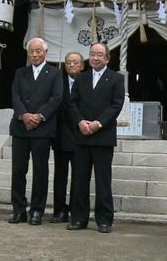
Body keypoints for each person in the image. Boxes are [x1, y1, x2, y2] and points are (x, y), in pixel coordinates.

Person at [67, 42, 125, 233]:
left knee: (102, 180)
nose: (95, 58)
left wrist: (98, 123)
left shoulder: (116, 78)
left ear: (107, 58)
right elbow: (72, 103)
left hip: (103, 136)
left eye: (100, 54)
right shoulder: (81, 78)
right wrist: (80, 122)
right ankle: (78, 218)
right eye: (92, 54)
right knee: (79, 179)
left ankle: (104, 220)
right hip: (82, 135)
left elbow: (116, 105)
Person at [8, 37, 62, 225]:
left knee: (40, 170)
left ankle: (37, 210)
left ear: (45, 52)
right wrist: (24, 115)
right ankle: (18, 210)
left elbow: (56, 98)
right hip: (21, 127)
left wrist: (38, 116)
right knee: (18, 170)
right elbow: (15, 96)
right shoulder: (20, 73)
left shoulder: (55, 73)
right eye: (32, 51)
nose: (35, 54)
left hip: (42, 128)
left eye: (38, 51)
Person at [50, 51, 85, 223]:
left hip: (81, 136)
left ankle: (75, 210)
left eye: (76, 62)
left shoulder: (87, 82)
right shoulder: (58, 81)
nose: (72, 65)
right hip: (61, 135)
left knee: (78, 176)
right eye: (68, 62)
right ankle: (59, 210)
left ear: (82, 65)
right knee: (60, 176)